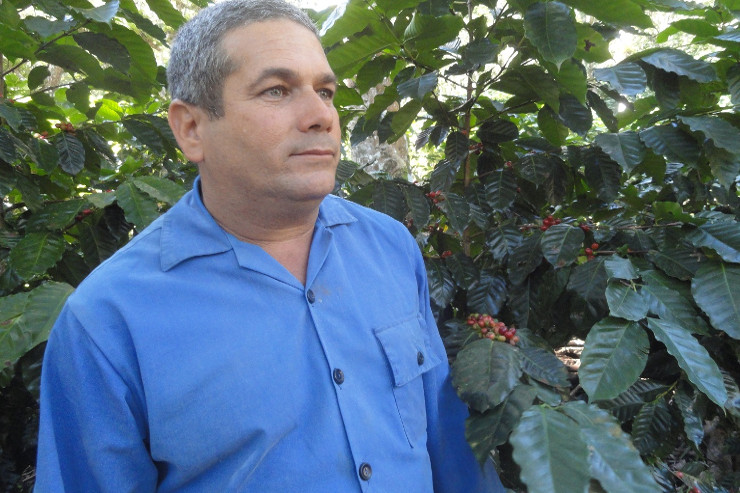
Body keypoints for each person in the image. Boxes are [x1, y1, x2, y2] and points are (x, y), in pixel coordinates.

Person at [34, 1, 505, 491]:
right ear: (191, 128)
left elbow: (450, 444)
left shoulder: (389, 246)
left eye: (325, 91)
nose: (321, 115)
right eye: (276, 90)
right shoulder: (107, 319)